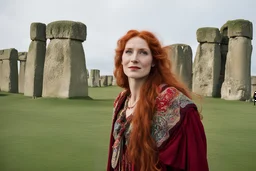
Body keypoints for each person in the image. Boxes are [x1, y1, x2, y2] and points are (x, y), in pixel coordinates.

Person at [106, 30, 209, 171]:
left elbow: (194, 162)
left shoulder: (176, 105)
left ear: (154, 61)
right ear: (121, 58)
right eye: (128, 51)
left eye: (143, 52)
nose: (134, 58)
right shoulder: (121, 101)